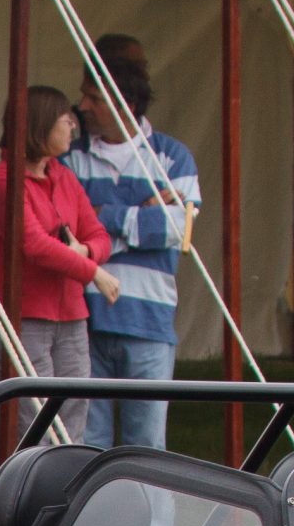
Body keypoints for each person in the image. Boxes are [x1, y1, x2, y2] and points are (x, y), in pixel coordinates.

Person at [64, 41, 198, 450]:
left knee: (147, 451)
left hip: (149, 323)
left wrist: (101, 220)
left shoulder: (173, 158)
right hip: (85, 321)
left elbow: (179, 230)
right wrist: (139, 215)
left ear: (126, 104)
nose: (82, 106)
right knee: (88, 448)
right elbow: (63, 232)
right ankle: (91, 519)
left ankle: (152, 519)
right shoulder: (70, 157)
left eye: (94, 98)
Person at [0, 85, 116, 442]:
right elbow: (34, 245)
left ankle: (64, 496)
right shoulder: (2, 179)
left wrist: (84, 253)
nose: (72, 126)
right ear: (40, 125)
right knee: (30, 424)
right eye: (64, 119)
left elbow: (99, 235)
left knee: (73, 421)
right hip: (23, 317)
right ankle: (29, 496)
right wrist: (92, 271)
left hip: (70, 317)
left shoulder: (64, 177)